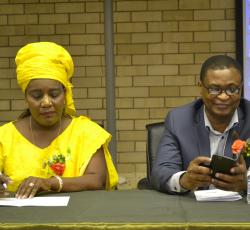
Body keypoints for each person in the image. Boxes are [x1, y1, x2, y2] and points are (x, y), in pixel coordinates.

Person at [0, 42, 118, 199]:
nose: (46, 102)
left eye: (54, 94)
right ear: (26, 98)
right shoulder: (5, 136)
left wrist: (50, 183)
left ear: (65, 95)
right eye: (36, 96)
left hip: (78, 219)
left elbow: (97, 180)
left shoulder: (87, 133)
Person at [151, 55, 250, 194]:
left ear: (241, 87)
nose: (223, 96)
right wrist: (184, 180)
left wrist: (247, 184)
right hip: (193, 211)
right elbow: (161, 172)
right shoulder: (179, 120)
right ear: (201, 87)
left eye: (232, 89)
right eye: (215, 89)